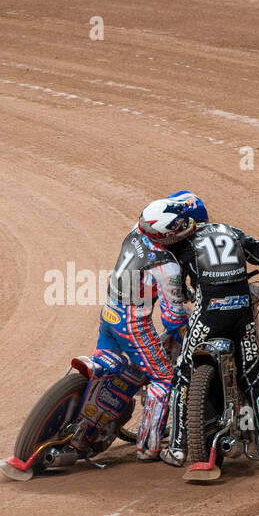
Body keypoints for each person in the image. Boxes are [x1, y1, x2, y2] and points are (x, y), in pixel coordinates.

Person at [162, 219, 259, 468]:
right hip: (242, 315)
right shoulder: (231, 232)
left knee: (183, 374)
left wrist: (186, 294)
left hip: (208, 316)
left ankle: (176, 449)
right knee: (254, 378)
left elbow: (176, 288)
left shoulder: (182, 244)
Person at [91, 197, 199, 460]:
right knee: (163, 378)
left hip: (109, 311)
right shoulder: (167, 266)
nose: (186, 227)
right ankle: (148, 446)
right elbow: (173, 319)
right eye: (180, 226)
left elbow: (159, 213)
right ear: (167, 236)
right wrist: (190, 339)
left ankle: (88, 414)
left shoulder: (136, 230)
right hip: (132, 322)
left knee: (105, 368)